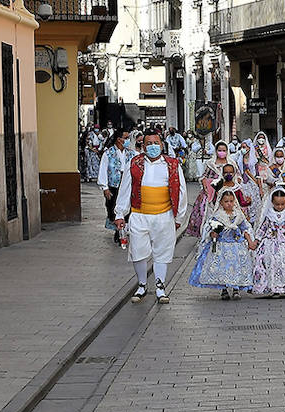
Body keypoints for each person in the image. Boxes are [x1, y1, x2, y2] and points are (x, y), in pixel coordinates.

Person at [113, 131, 187, 304]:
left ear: (161, 145)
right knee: (138, 252)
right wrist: (119, 213)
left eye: (156, 142)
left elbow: (181, 192)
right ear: (143, 146)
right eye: (149, 143)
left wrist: (179, 218)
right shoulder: (135, 163)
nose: (153, 146)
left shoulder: (173, 164)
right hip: (139, 215)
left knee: (162, 253)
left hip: (164, 215)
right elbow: (125, 189)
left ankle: (160, 288)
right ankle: (142, 285)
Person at [189, 187, 258, 300]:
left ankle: (236, 289)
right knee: (223, 268)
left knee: (236, 267)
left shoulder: (238, 215)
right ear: (221, 202)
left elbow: (244, 229)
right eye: (226, 201)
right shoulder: (218, 216)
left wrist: (250, 241)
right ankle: (224, 289)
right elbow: (210, 230)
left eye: (231, 201)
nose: (229, 204)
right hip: (223, 245)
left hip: (236, 245)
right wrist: (213, 234)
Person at [186, 140, 230, 236]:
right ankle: (207, 236)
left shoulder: (231, 164)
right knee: (205, 213)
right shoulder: (210, 163)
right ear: (216, 151)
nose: (221, 152)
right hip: (210, 192)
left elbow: (237, 177)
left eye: (224, 150)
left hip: (226, 193)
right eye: (219, 150)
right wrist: (206, 186)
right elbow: (203, 176)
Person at [97, 129, 129, 244]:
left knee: (126, 208)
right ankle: (118, 231)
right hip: (113, 186)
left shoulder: (130, 153)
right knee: (113, 208)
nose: (128, 140)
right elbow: (103, 170)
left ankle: (123, 231)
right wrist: (105, 187)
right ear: (119, 139)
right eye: (126, 138)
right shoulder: (108, 153)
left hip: (126, 186)